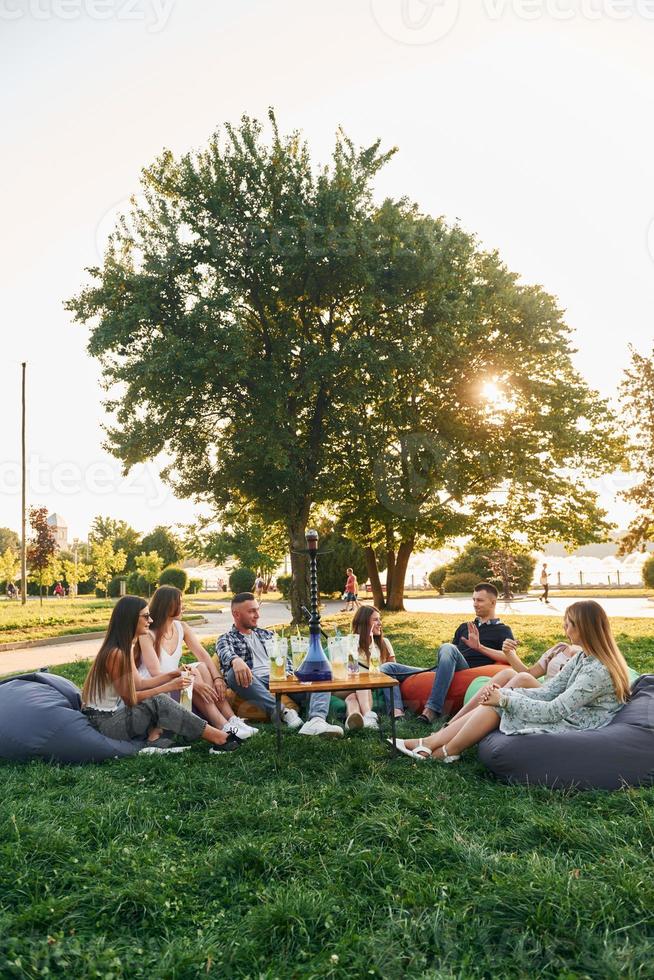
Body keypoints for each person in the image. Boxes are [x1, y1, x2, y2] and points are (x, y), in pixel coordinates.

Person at [393, 600, 630, 762]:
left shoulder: (596, 670)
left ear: (584, 628)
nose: (564, 629)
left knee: (500, 703)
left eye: (568, 624)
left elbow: (554, 710)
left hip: (576, 724)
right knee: (502, 697)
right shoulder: (583, 658)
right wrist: (508, 695)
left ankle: (444, 751)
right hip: (567, 712)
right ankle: (433, 742)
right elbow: (549, 691)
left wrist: (506, 700)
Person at [81, 595, 240, 754]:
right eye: (145, 616)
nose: (150, 620)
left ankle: (157, 740)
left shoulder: (126, 648)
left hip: (116, 717)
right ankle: (220, 738)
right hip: (104, 723)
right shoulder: (116, 654)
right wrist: (168, 686)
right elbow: (130, 699)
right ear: (130, 619)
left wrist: (174, 674)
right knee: (159, 700)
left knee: (160, 700)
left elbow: (140, 684)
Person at [136, 585, 258, 741]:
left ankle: (232, 720)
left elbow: (202, 655)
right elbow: (156, 674)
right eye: (180, 603)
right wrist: (193, 683)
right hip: (158, 687)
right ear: (167, 606)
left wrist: (217, 678)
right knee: (193, 676)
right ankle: (222, 725)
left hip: (177, 680)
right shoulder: (148, 635)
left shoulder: (181, 627)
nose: (184, 606)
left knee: (200, 667)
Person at [381, 583, 513, 724]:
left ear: (493, 602)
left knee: (447, 647)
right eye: (473, 600)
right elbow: (450, 656)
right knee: (387, 668)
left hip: (469, 671)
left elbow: (510, 657)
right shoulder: (464, 627)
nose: (475, 604)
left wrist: (480, 647)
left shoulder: (503, 630)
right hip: (447, 670)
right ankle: (397, 712)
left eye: (480, 600)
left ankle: (432, 709)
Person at [217, 592, 344, 737]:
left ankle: (316, 720)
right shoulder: (226, 638)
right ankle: (284, 712)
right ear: (236, 614)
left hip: (282, 677)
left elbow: (286, 659)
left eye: (257, 610)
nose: (257, 615)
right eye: (251, 611)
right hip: (253, 680)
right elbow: (224, 652)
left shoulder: (268, 634)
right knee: (233, 675)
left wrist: (292, 676)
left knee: (321, 673)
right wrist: (236, 660)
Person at [445, 636, 582, 725]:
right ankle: (453, 722)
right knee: (507, 673)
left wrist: (578, 653)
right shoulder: (560, 648)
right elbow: (530, 673)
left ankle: (465, 724)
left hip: (556, 699)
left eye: (570, 623)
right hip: (544, 689)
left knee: (522, 678)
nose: (565, 626)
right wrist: (509, 653)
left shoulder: (589, 657)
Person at [337, 606, 396, 731]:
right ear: (364, 623)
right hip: (346, 685)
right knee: (362, 682)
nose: (380, 623)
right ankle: (368, 715)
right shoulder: (348, 642)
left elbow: (393, 669)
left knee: (352, 697)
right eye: (375, 620)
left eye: (380, 619)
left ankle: (353, 718)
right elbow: (339, 670)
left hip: (370, 686)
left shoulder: (384, 643)